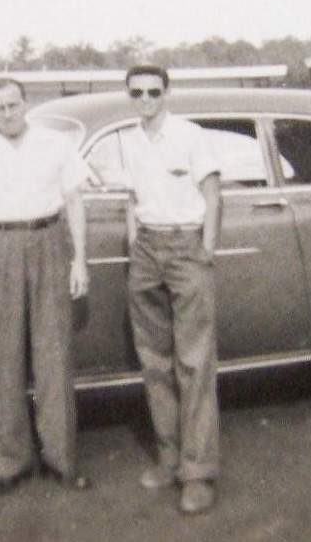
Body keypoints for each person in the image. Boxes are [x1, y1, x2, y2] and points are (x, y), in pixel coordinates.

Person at [0, 77, 92, 496]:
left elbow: (73, 203)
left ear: (25, 104)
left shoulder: (55, 145)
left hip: (48, 241)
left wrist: (79, 260)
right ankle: (10, 464)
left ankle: (61, 461)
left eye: (14, 105)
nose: (8, 113)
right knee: (2, 357)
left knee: (53, 355)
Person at [121, 65, 222, 515]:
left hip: (186, 246)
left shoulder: (191, 135)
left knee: (194, 361)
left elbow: (214, 194)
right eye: (137, 93)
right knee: (154, 360)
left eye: (153, 92)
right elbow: (131, 196)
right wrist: (132, 237)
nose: (146, 100)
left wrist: (206, 250)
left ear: (166, 93)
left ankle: (198, 473)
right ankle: (169, 457)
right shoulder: (131, 139)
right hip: (146, 249)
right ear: (130, 96)